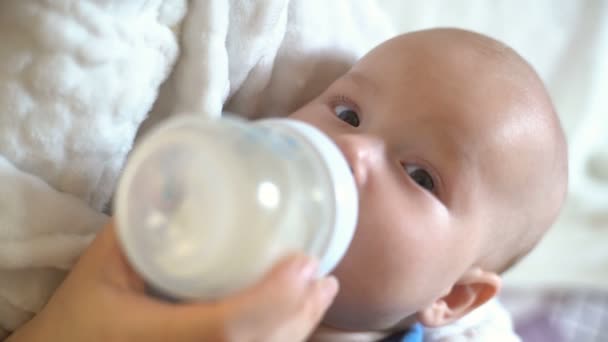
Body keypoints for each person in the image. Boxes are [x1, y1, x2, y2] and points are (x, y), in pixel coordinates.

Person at [7, 28, 567, 341]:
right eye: (347, 113)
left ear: (451, 297)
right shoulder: (173, 275)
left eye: (421, 176)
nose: (352, 150)